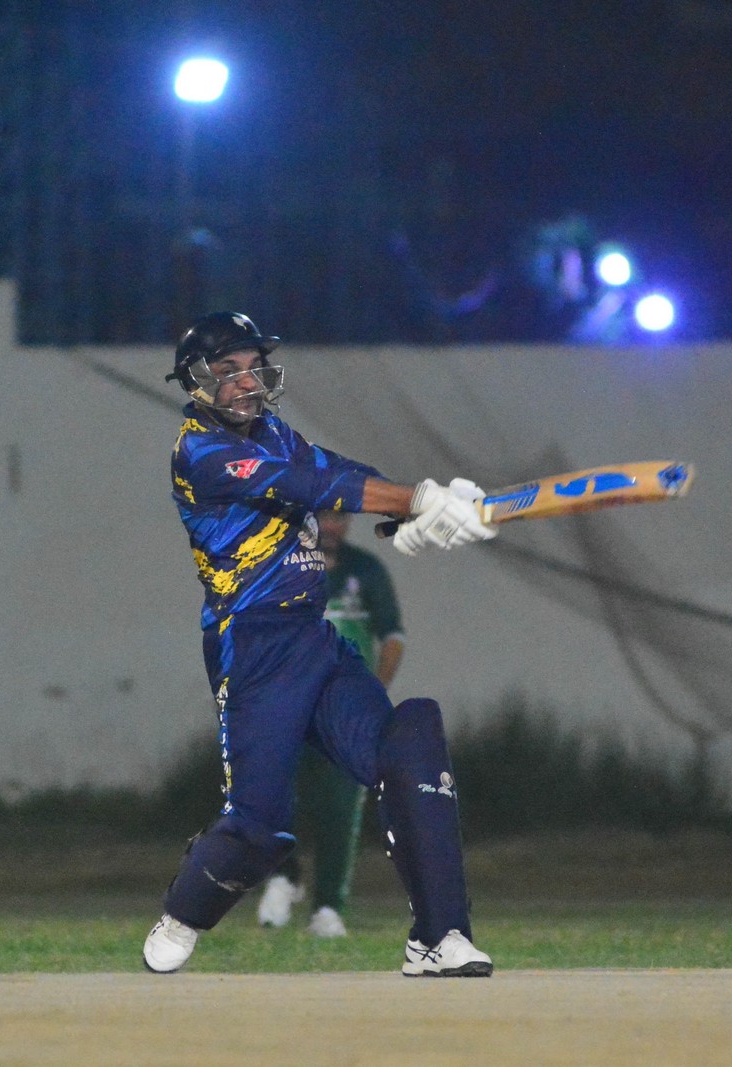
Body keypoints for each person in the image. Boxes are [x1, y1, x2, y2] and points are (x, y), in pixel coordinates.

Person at [143, 311, 496, 977]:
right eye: (227, 371)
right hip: (254, 648)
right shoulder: (201, 451)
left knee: (409, 746)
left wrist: (407, 511)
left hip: (313, 638)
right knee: (259, 831)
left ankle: (439, 935)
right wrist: (419, 498)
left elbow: (335, 469)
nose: (245, 382)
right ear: (195, 383)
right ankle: (184, 910)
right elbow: (310, 487)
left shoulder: (275, 433)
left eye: (253, 368)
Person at [254, 508, 405, 937]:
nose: (334, 526)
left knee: (340, 808)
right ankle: (284, 876)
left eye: (341, 517)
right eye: (325, 516)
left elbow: (393, 637)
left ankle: (327, 908)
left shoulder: (366, 570)